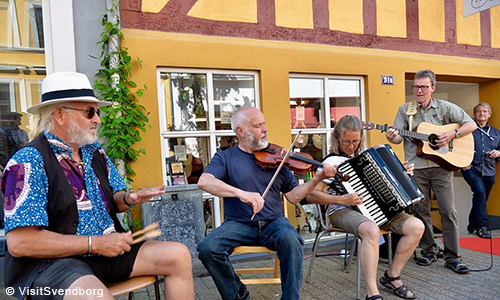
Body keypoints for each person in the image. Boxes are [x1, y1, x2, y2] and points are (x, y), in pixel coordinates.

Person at [2, 72, 194, 300]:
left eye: (97, 112)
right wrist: (95, 243)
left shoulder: (94, 152)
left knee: (178, 255)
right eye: (89, 112)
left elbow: (116, 200)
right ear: (60, 114)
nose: (98, 119)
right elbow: (20, 243)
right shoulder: (28, 161)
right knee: (94, 295)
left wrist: (129, 198)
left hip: (104, 252)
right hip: (52, 263)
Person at [196, 106, 336, 300]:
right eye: (257, 125)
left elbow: (294, 197)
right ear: (241, 132)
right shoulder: (225, 158)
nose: (265, 129)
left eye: (264, 123)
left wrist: (316, 179)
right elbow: (205, 181)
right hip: (239, 223)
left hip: (274, 222)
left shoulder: (278, 158)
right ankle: (236, 292)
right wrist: (241, 194)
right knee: (207, 248)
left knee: (292, 240)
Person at [307, 115, 424, 300]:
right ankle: (372, 292)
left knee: (417, 227)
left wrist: (402, 173)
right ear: (337, 138)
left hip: (377, 209)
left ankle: (392, 275)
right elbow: (311, 194)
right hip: (341, 210)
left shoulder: (367, 156)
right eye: (346, 142)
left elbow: (385, 184)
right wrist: (342, 200)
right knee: (371, 229)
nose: (351, 146)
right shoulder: (331, 162)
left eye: (355, 141)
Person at [385, 69, 476, 274]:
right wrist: (392, 136)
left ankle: (453, 256)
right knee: (421, 211)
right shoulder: (405, 110)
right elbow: (398, 138)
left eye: (424, 87)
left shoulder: (445, 107)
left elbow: (471, 124)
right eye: (416, 86)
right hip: (415, 167)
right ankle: (429, 250)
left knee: (448, 211)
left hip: (442, 165)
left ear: (432, 88)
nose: (419, 90)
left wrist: (452, 133)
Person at [461, 103, 500, 239]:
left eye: (484, 112)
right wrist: (462, 164)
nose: (481, 114)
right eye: (478, 112)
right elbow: (457, 146)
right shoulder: (468, 129)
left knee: (481, 197)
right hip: (471, 168)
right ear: (474, 114)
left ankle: (472, 225)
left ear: (489, 114)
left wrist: (498, 152)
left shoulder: (495, 132)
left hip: (489, 170)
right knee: (480, 192)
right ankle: (482, 227)